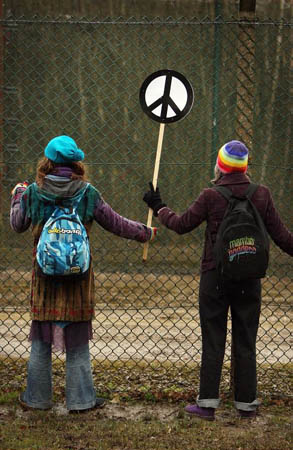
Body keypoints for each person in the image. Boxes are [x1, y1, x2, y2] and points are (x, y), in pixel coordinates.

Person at [143, 140, 293, 420]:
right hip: (250, 277)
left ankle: (208, 404)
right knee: (245, 340)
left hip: (215, 277)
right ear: (246, 167)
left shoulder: (210, 196)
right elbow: (283, 237)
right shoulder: (261, 194)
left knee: (213, 338)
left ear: (220, 166)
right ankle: (246, 404)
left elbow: (181, 224)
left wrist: (159, 205)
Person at [10, 135, 157, 413]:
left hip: (44, 280)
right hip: (79, 281)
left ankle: (37, 399)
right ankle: (81, 400)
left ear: (48, 162)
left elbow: (17, 224)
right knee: (77, 343)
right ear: (76, 163)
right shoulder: (88, 193)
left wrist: (18, 194)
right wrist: (144, 232)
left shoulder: (34, 193)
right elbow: (116, 223)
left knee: (41, 341)